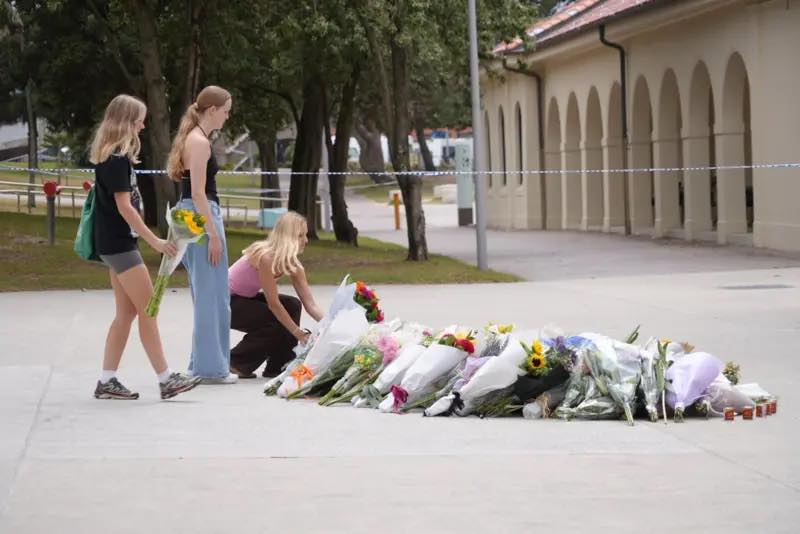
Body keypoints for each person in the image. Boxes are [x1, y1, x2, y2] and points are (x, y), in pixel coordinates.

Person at [90, 94, 201, 400]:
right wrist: (156, 241)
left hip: (114, 242)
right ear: (127, 121)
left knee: (127, 314)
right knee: (149, 309)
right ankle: (166, 380)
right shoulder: (116, 159)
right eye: (139, 119)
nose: (142, 125)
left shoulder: (114, 156)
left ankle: (106, 381)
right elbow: (125, 207)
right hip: (119, 244)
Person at [166, 85, 238, 384]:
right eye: (226, 111)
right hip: (201, 215)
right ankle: (210, 368)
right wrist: (214, 234)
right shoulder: (199, 142)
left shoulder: (194, 138)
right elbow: (197, 192)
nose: (227, 117)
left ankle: (204, 364)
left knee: (208, 294)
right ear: (212, 110)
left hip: (194, 214)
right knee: (212, 296)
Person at [228, 212, 325, 378]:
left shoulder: (294, 265)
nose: (306, 240)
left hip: (243, 299)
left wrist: (333, 325)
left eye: (306, 235)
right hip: (223, 303)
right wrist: (299, 334)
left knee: (292, 305)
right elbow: (274, 304)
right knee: (274, 318)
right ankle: (235, 362)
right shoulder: (265, 257)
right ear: (287, 237)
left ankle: (279, 365)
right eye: (300, 235)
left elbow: (311, 305)